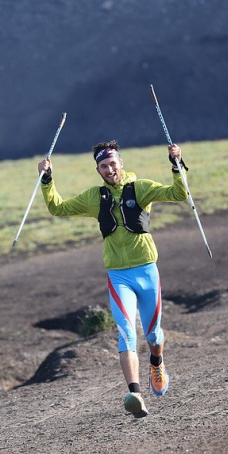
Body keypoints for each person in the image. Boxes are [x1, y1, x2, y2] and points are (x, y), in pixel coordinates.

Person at [37, 140, 189, 418]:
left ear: (121, 163)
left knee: (153, 334)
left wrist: (176, 164)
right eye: (103, 166)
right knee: (126, 333)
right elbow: (58, 208)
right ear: (98, 170)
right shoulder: (94, 197)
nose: (109, 169)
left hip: (146, 270)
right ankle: (135, 394)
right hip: (118, 275)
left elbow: (179, 194)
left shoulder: (141, 188)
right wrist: (46, 180)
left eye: (113, 164)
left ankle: (157, 363)